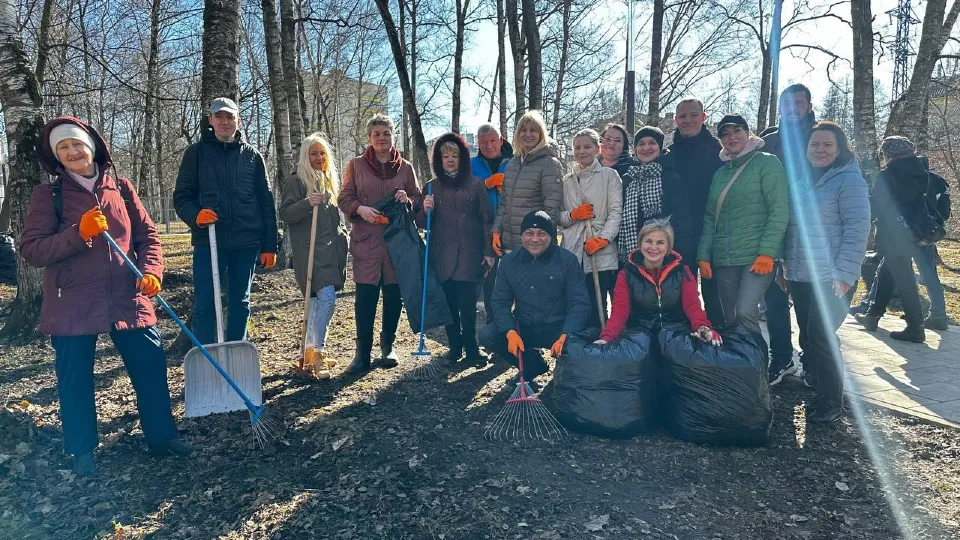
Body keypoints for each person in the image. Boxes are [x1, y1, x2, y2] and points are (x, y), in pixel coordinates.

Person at [20, 117, 194, 477]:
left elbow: (148, 238)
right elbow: (33, 250)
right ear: (56, 156)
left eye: (76, 144)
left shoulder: (122, 188)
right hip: (73, 301)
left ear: (93, 146)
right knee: (75, 377)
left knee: (150, 366)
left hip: (127, 295)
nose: (71, 152)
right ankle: (82, 451)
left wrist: (152, 272)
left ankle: (162, 437)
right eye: (62, 148)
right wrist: (77, 232)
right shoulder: (48, 195)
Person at [781, 122, 870, 422]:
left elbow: (858, 229)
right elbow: (793, 230)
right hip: (801, 274)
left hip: (832, 277)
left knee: (822, 336)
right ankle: (819, 390)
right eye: (814, 145)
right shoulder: (801, 182)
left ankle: (832, 401)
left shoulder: (849, 181)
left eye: (827, 145)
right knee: (808, 337)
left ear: (839, 148)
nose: (819, 150)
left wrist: (845, 273)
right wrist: (784, 267)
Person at [174, 97, 278, 345]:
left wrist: (269, 245)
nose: (224, 121)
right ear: (210, 120)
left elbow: (266, 202)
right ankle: (208, 356)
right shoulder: (196, 154)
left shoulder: (252, 156)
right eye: (218, 116)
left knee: (240, 302)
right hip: (209, 242)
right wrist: (195, 215)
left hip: (247, 242)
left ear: (238, 120)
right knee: (205, 302)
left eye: (229, 116)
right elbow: (182, 196)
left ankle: (236, 350)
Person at [338, 113, 421, 372]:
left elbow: (417, 200)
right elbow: (344, 198)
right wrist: (360, 209)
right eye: (377, 134)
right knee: (365, 298)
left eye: (386, 133)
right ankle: (362, 352)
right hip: (367, 242)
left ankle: (388, 347)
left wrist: (407, 199)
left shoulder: (406, 167)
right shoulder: (355, 166)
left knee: (394, 296)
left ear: (393, 136)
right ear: (369, 137)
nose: (382, 138)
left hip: (397, 243)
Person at [698, 114, 788, 335]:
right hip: (725, 256)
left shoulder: (767, 163)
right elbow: (711, 217)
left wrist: (768, 252)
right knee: (730, 316)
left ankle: (756, 366)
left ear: (748, 133)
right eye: (725, 134)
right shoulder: (720, 174)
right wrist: (704, 255)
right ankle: (738, 366)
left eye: (737, 130)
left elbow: (779, 210)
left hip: (756, 255)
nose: (732, 137)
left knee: (745, 311)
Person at [479, 211, 590, 390]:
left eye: (542, 234)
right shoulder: (509, 262)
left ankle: (564, 373)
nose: (535, 239)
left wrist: (566, 334)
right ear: (522, 235)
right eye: (529, 233)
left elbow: (579, 303)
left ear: (552, 236)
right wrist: (509, 331)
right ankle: (532, 365)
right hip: (524, 326)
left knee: (578, 348)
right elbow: (500, 301)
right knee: (488, 335)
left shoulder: (567, 261)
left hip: (558, 328)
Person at [418, 133, 493, 363]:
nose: (450, 160)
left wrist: (489, 252)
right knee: (449, 305)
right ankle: (454, 347)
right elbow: (421, 223)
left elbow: (486, 220)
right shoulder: (431, 187)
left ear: (462, 159)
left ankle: (472, 348)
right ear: (438, 160)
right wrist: (424, 209)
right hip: (443, 255)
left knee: (468, 306)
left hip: (470, 254)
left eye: (454, 155)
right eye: (445, 156)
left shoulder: (475, 185)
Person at [852, 159, 951, 330]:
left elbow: (880, 205)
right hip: (925, 233)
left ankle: (913, 324)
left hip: (898, 235)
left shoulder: (891, 176)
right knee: (920, 273)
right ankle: (936, 314)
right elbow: (942, 209)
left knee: (895, 274)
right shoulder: (932, 179)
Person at [279, 134, 348, 379]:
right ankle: (319, 352)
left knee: (319, 303)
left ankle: (309, 351)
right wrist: (307, 203)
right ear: (305, 156)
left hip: (330, 254)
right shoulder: (297, 182)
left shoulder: (329, 182)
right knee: (326, 299)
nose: (319, 158)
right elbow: (286, 213)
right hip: (310, 254)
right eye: (313, 153)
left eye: (322, 154)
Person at [760, 84, 816, 381]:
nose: (793, 108)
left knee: (807, 299)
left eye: (799, 102)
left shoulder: (820, 138)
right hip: (772, 229)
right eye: (787, 104)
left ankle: (811, 358)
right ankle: (781, 357)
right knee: (774, 299)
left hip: (808, 232)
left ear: (808, 105)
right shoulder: (768, 143)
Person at [854, 136, 931, 342]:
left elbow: (878, 206)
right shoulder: (922, 172)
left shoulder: (888, 175)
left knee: (904, 280)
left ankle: (916, 327)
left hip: (893, 234)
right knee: (887, 272)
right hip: (915, 232)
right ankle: (872, 316)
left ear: (889, 154)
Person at [595, 219, 721, 346]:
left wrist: (703, 327)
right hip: (641, 339)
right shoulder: (626, 275)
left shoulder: (682, 271)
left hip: (675, 336)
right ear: (640, 244)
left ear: (668, 247)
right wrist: (606, 337)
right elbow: (619, 313)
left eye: (660, 242)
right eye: (648, 241)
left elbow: (693, 306)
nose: (653, 247)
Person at [664, 98, 724, 324]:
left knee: (714, 292)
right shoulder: (668, 155)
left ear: (703, 117)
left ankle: (719, 336)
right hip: (678, 233)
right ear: (675, 119)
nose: (687, 120)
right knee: (681, 290)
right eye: (682, 116)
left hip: (711, 231)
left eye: (693, 115)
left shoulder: (718, 151)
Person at [558, 128, 622, 329]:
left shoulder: (609, 175)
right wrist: (573, 215)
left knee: (598, 301)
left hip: (599, 248)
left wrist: (603, 239)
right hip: (573, 249)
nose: (581, 151)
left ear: (597, 149)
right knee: (576, 302)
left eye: (587, 146)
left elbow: (615, 211)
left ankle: (601, 342)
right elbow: (558, 217)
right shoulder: (566, 181)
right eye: (577, 147)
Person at [491, 110, 564, 256]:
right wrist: (496, 231)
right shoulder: (512, 163)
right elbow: (505, 203)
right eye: (523, 130)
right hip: (509, 246)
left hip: (535, 247)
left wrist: (539, 242)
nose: (528, 134)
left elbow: (552, 210)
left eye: (533, 130)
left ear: (541, 134)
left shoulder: (549, 163)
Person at [619, 126, 693, 266]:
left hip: (665, 254)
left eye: (652, 143)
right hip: (634, 254)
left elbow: (682, 219)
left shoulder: (671, 178)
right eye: (641, 144)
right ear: (634, 150)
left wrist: (679, 256)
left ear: (660, 147)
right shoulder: (627, 180)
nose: (646, 147)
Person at [470, 124, 514, 324]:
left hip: (513, 230)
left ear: (501, 140)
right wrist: (484, 184)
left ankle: (517, 331)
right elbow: (462, 191)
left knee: (514, 284)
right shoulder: (471, 165)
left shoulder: (515, 162)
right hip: (483, 232)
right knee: (490, 283)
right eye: (483, 142)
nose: (488, 146)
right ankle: (493, 329)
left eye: (492, 140)